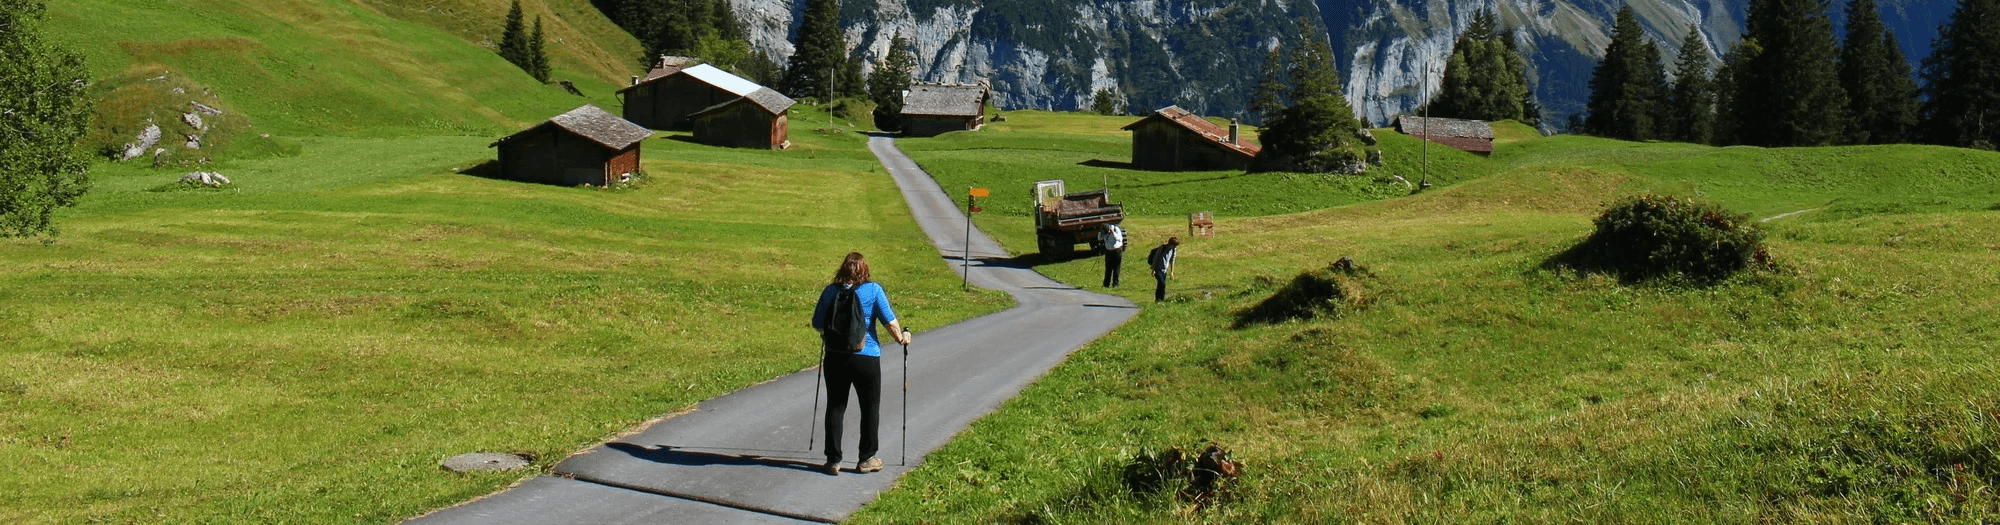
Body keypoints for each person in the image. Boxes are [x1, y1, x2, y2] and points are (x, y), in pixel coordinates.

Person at [809, 252, 910, 475]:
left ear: (843, 269)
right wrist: (902, 338)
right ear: (864, 270)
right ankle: (867, 458)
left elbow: (817, 323)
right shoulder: (873, 290)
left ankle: (833, 460)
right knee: (870, 407)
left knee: (836, 406)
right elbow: (890, 322)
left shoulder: (830, 291)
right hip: (867, 357)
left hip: (835, 356)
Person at [1147, 237, 1179, 302]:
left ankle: (1161, 299)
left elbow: (1172, 261)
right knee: (1162, 283)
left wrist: (1172, 272)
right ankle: (1158, 299)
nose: (1174, 247)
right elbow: (1156, 258)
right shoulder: (1162, 248)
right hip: (1157, 269)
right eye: (1173, 245)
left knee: (1162, 285)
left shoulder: (1173, 250)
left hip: (1164, 270)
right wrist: (1153, 269)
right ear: (1170, 243)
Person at [1098, 223, 1126, 288]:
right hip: (1108, 251)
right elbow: (1099, 238)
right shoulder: (1104, 231)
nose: (1107, 232)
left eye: (1108, 230)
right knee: (1108, 268)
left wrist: (1113, 232)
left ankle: (1115, 284)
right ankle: (1106, 284)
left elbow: (1118, 238)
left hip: (1117, 251)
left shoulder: (1116, 229)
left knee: (1116, 268)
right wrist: (1100, 231)